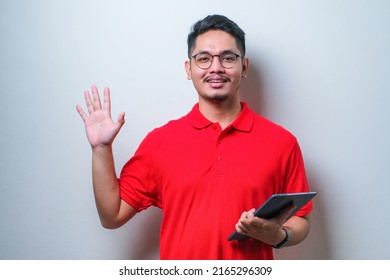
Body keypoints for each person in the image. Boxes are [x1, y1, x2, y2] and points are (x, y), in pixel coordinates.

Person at [76, 14, 313, 260]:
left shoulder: (282, 142)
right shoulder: (161, 142)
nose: (216, 67)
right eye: (204, 59)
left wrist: (279, 236)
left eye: (228, 58)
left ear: (244, 67)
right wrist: (101, 149)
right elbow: (111, 216)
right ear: (189, 69)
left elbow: (301, 219)